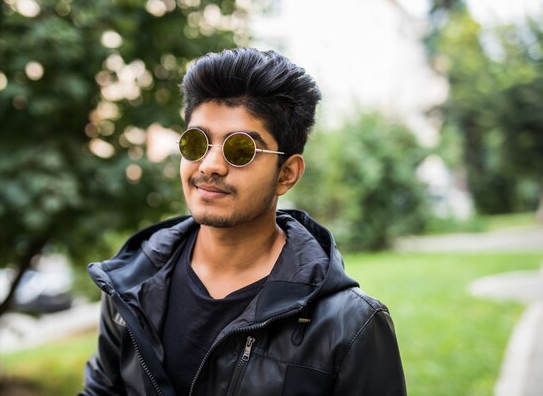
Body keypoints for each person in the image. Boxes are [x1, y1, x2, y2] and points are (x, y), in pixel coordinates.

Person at [79, 48, 407, 396]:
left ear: (287, 174)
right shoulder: (131, 284)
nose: (209, 165)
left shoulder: (350, 324)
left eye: (240, 150)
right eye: (196, 142)